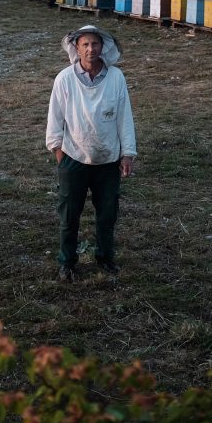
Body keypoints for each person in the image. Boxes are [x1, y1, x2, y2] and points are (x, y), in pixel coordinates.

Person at [45, 25, 137, 283]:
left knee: (107, 214)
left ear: (102, 47)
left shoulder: (116, 78)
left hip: (108, 160)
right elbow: (55, 118)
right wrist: (58, 150)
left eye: (95, 44)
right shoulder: (64, 79)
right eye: (85, 44)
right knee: (69, 216)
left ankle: (105, 258)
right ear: (77, 48)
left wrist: (127, 153)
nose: (90, 49)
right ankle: (67, 262)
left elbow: (124, 117)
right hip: (73, 159)